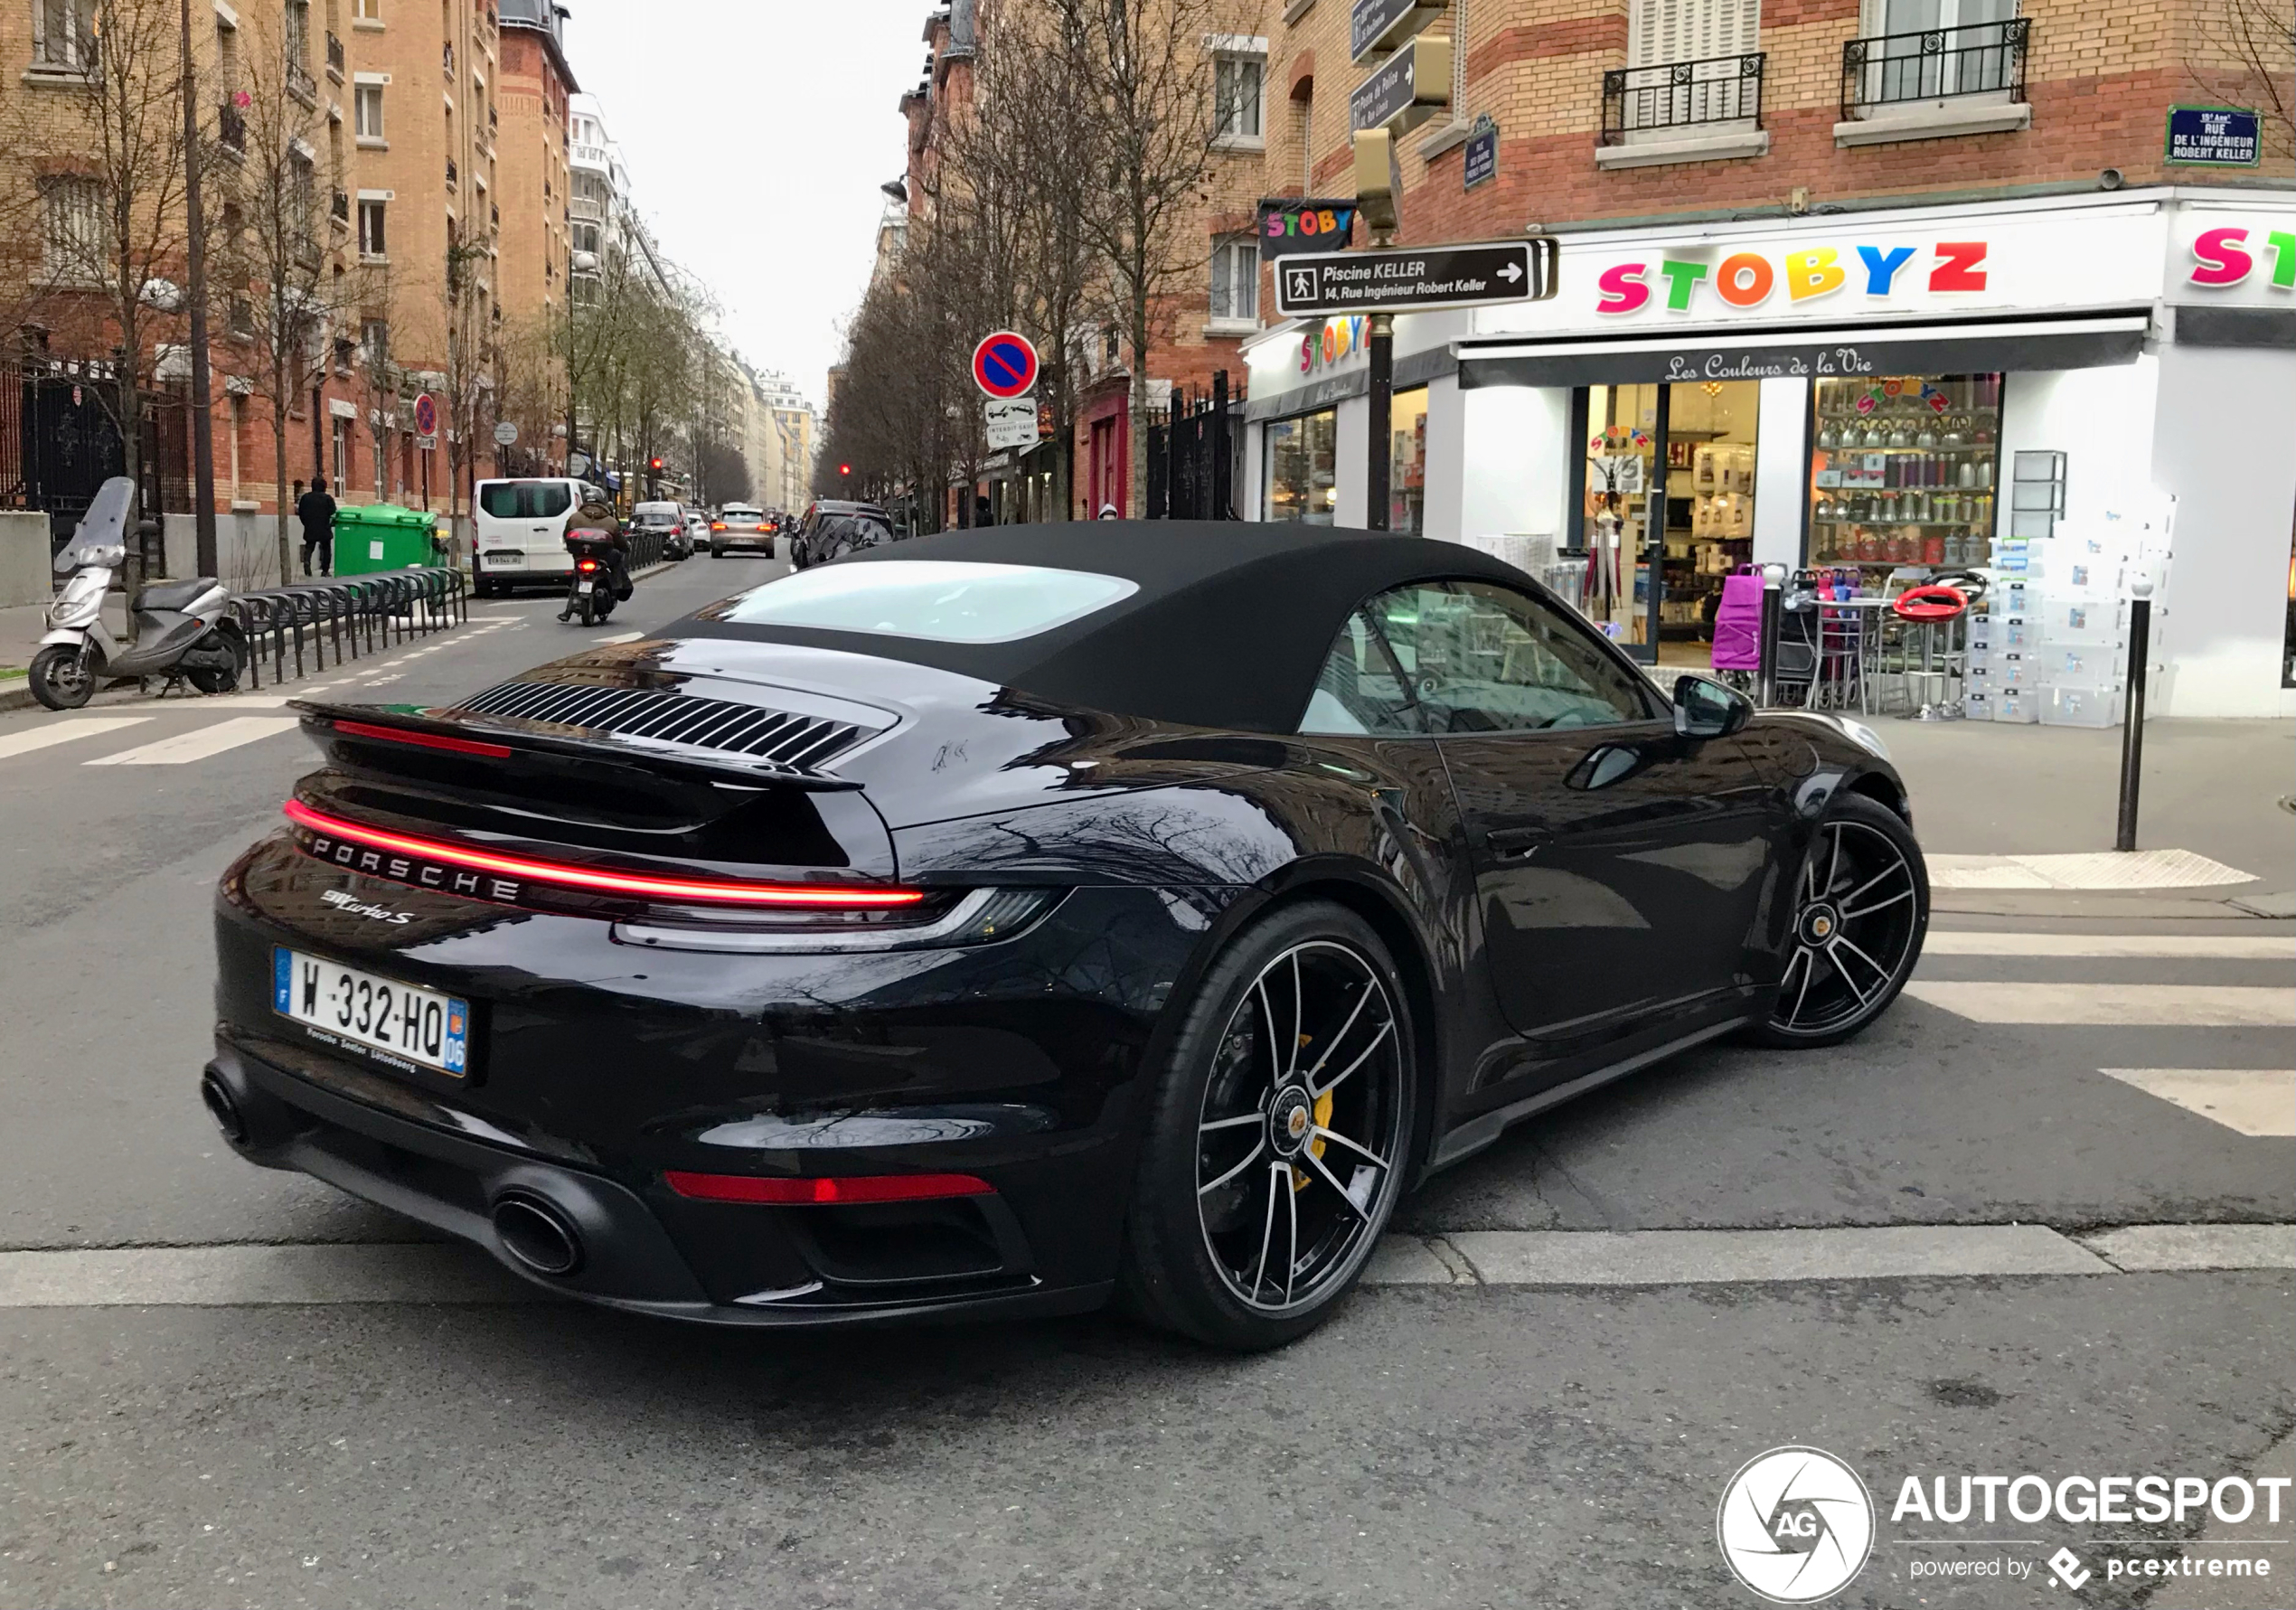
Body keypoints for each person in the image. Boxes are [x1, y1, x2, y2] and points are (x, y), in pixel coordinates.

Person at [296, 476, 337, 577]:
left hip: (310, 526)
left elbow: (300, 512)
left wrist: (306, 523)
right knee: (326, 548)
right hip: (324, 527)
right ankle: (325, 570)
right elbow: (333, 512)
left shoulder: (305, 498)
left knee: (309, 546)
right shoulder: (327, 498)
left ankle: (307, 562)